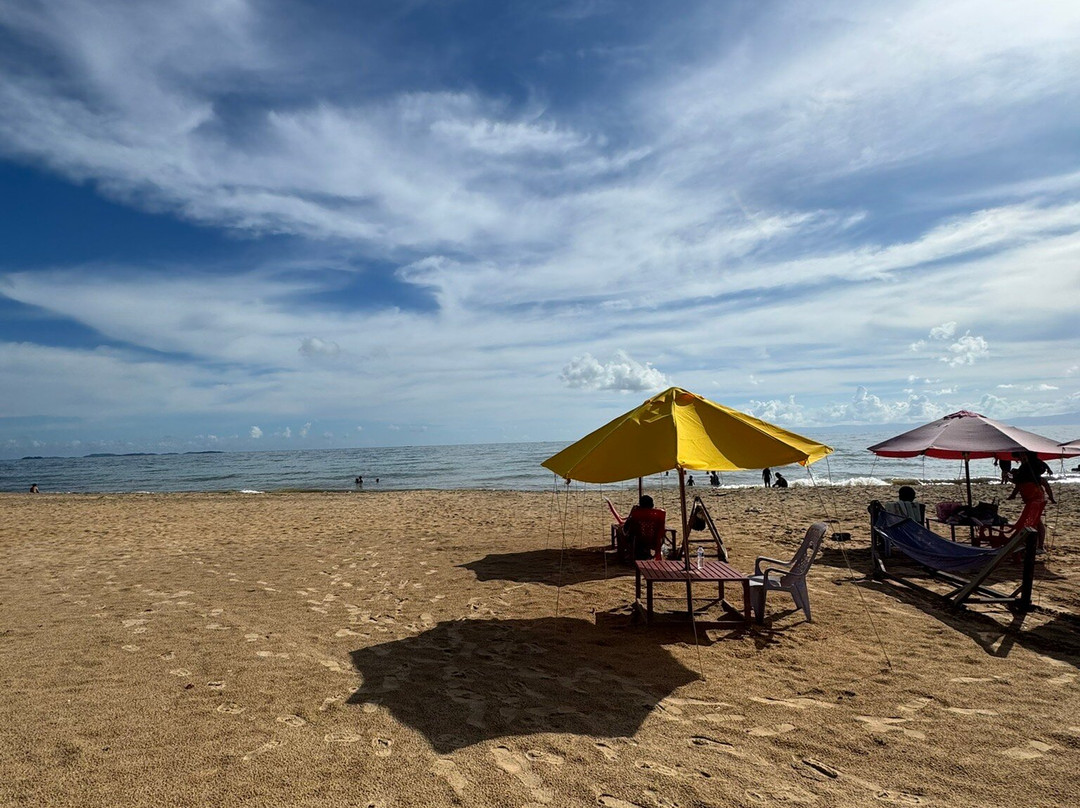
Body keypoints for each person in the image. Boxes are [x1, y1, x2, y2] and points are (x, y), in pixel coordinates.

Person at [1007, 451, 1055, 550]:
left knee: (1034, 522)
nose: (1019, 460)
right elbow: (1046, 486)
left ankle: (1037, 545)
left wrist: (1009, 479)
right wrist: (1051, 497)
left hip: (1033, 500)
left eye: (1020, 458)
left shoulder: (1027, 470)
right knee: (1037, 521)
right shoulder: (1033, 471)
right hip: (1036, 499)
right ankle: (1039, 545)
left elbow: (1018, 483)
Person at [620, 495, 665, 562]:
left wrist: (631, 513)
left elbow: (628, 528)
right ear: (652, 505)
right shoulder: (658, 514)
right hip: (655, 540)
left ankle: (622, 555)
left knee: (620, 530)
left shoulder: (636, 514)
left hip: (639, 541)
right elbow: (661, 530)